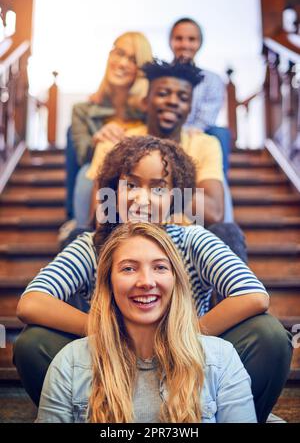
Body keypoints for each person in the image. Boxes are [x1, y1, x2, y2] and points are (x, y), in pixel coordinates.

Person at [14, 136, 292, 422]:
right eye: (131, 185)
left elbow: (254, 296)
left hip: (187, 359)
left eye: (158, 188)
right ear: (112, 190)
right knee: (32, 342)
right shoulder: (91, 245)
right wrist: (106, 331)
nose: (142, 198)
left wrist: (180, 334)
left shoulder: (191, 238)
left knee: (269, 335)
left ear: (176, 197)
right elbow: (31, 303)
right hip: (113, 361)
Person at [36, 222, 257, 423]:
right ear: (108, 283)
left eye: (160, 267)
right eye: (128, 268)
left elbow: (255, 296)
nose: (146, 282)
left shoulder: (221, 359)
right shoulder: (70, 363)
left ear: (175, 280)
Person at [82, 60, 230, 229]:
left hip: (185, 243)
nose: (173, 101)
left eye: (183, 98)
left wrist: (165, 186)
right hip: (126, 238)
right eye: (163, 93)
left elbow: (215, 214)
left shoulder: (205, 144)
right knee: (78, 235)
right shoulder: (116, 142)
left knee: (227, 232)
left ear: (189, 108)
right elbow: (101, 216)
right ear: (145, 102)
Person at [65, 31, 152, 224]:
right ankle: (82, 229)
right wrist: (96, 140)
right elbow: (81, 157)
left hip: (138, 189)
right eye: (119, 53)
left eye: (132, 59)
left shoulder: (150, 111)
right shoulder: (83, 111)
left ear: (142, 68)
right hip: (94, 186)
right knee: (88, 168)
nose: (122, 63)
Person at [169, 17, 230, 177]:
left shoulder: (212, 80)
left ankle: (217, 188)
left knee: (220, 134)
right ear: (170, 41)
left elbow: (205, 119)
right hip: (164, 131)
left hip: (197, 133)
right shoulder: (159, 77)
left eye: (191, 39)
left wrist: (185, 136)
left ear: (199, 43)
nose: (185, 44)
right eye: (179, 38)